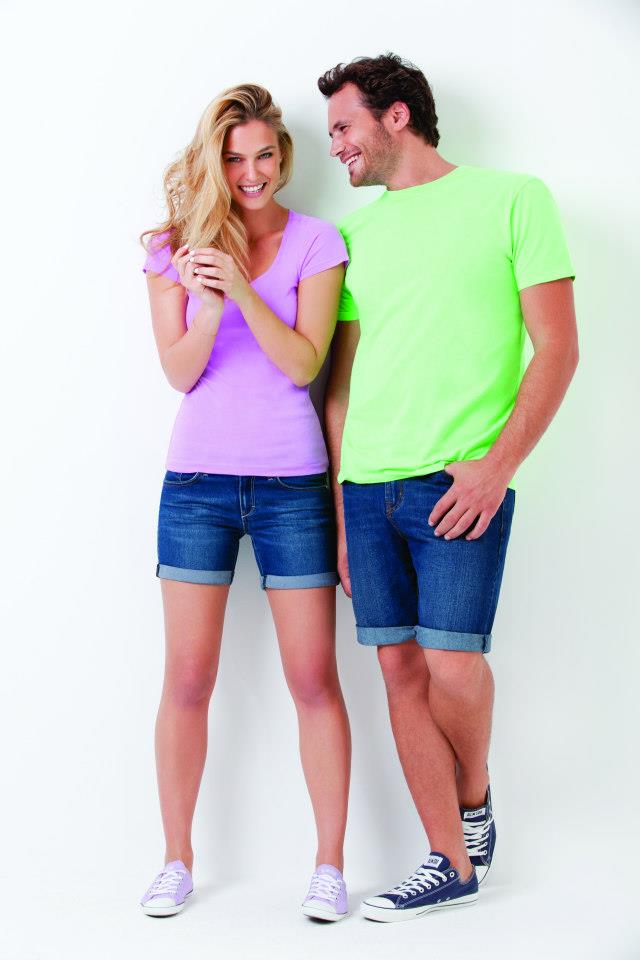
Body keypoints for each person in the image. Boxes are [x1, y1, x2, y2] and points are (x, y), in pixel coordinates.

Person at [319, 53, 578, 921]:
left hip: (460, 481)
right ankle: (450, 862)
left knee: (453, 665)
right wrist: (343, 514)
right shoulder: (354, 238)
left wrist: (498, 469)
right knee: (399, 669)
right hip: (368, 487)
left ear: (396, 115)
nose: (336, 145)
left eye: (345, 126)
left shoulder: (515, 199)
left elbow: (559, 348)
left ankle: (474, 797)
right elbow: (341, 389)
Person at [139, 84, 351, 921]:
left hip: (293, 486)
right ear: (214, 163)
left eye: (265, 155)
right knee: (188, 679)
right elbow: (180, 373)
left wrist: (244, 289)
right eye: (234, 159)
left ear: (283, 156)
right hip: (196, 486)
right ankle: (176, 860)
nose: (252, 172)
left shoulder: (317, 241)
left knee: (313, 678)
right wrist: (210, 301)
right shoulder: (170, 249)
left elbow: (303, 365)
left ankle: (329, 866)